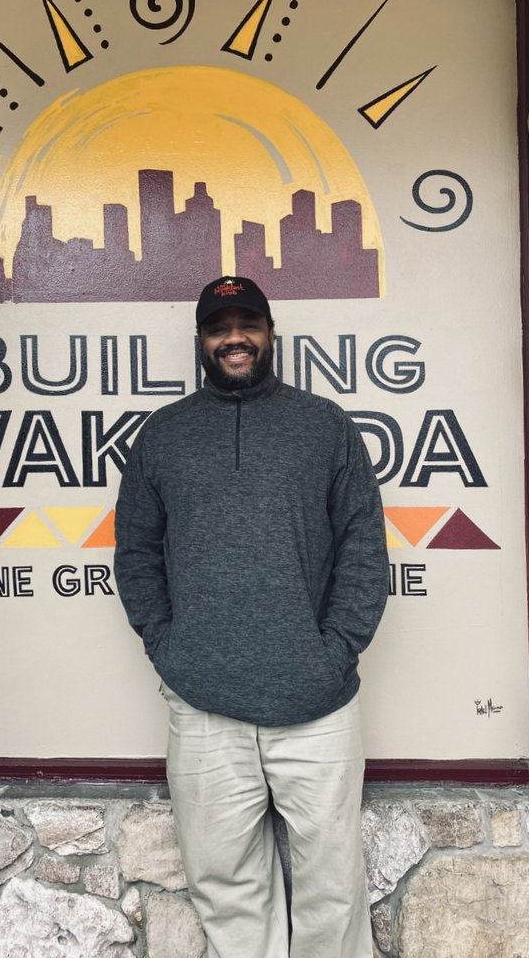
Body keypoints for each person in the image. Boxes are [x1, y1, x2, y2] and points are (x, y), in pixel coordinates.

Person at [114, 276, 388, 958]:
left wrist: (333, 653)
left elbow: (362, 547)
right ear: (201, 342)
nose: (233, 337)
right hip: (203, 705)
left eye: (247, 324)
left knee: (330, 886)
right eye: (218, 327)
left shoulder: (324, 425)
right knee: (223, 884)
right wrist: (169, 648)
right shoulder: (164, 435)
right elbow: (135, 554)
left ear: (269, 335)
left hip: (316, 704)